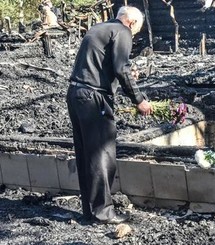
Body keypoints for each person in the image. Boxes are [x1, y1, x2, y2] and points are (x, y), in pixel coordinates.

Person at [66, 6, 153, 224]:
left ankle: (90, 211)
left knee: (86, 154)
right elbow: (122, 68)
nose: (133, 35)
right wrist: (140, 100)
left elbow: (103, 65)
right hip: (94, 98)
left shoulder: (99, 28)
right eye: (136, 30)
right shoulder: (122, 31)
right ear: (131, 22)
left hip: (76, 94)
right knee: (102, 156)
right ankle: (103, 212)